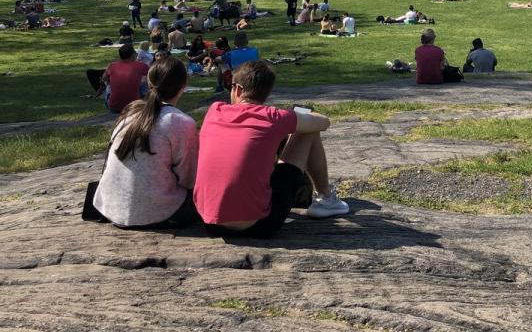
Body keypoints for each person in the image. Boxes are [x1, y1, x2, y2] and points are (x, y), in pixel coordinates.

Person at [193, 60, 349, 238]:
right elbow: (324, 122)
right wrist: (294, 116)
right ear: (267, 92)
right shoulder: (274, 117)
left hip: (210, 222)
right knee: (308, 132)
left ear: (236, 89)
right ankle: (325, 199)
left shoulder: (215, 110)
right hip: (258, 225)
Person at [92, 56, 199, 228]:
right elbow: (189, 179)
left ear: (148, 81)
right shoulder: (181, 122)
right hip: (156, 213)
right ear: (183, 86)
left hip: (110, 207)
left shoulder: (130, 112)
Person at [103, 44, 150, 113]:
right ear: (132, 54)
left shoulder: (112, 66)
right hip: (134, 107)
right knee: (145, 83)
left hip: (114, 106)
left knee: (108, 84)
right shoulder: (142, 66)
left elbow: (104, 79)